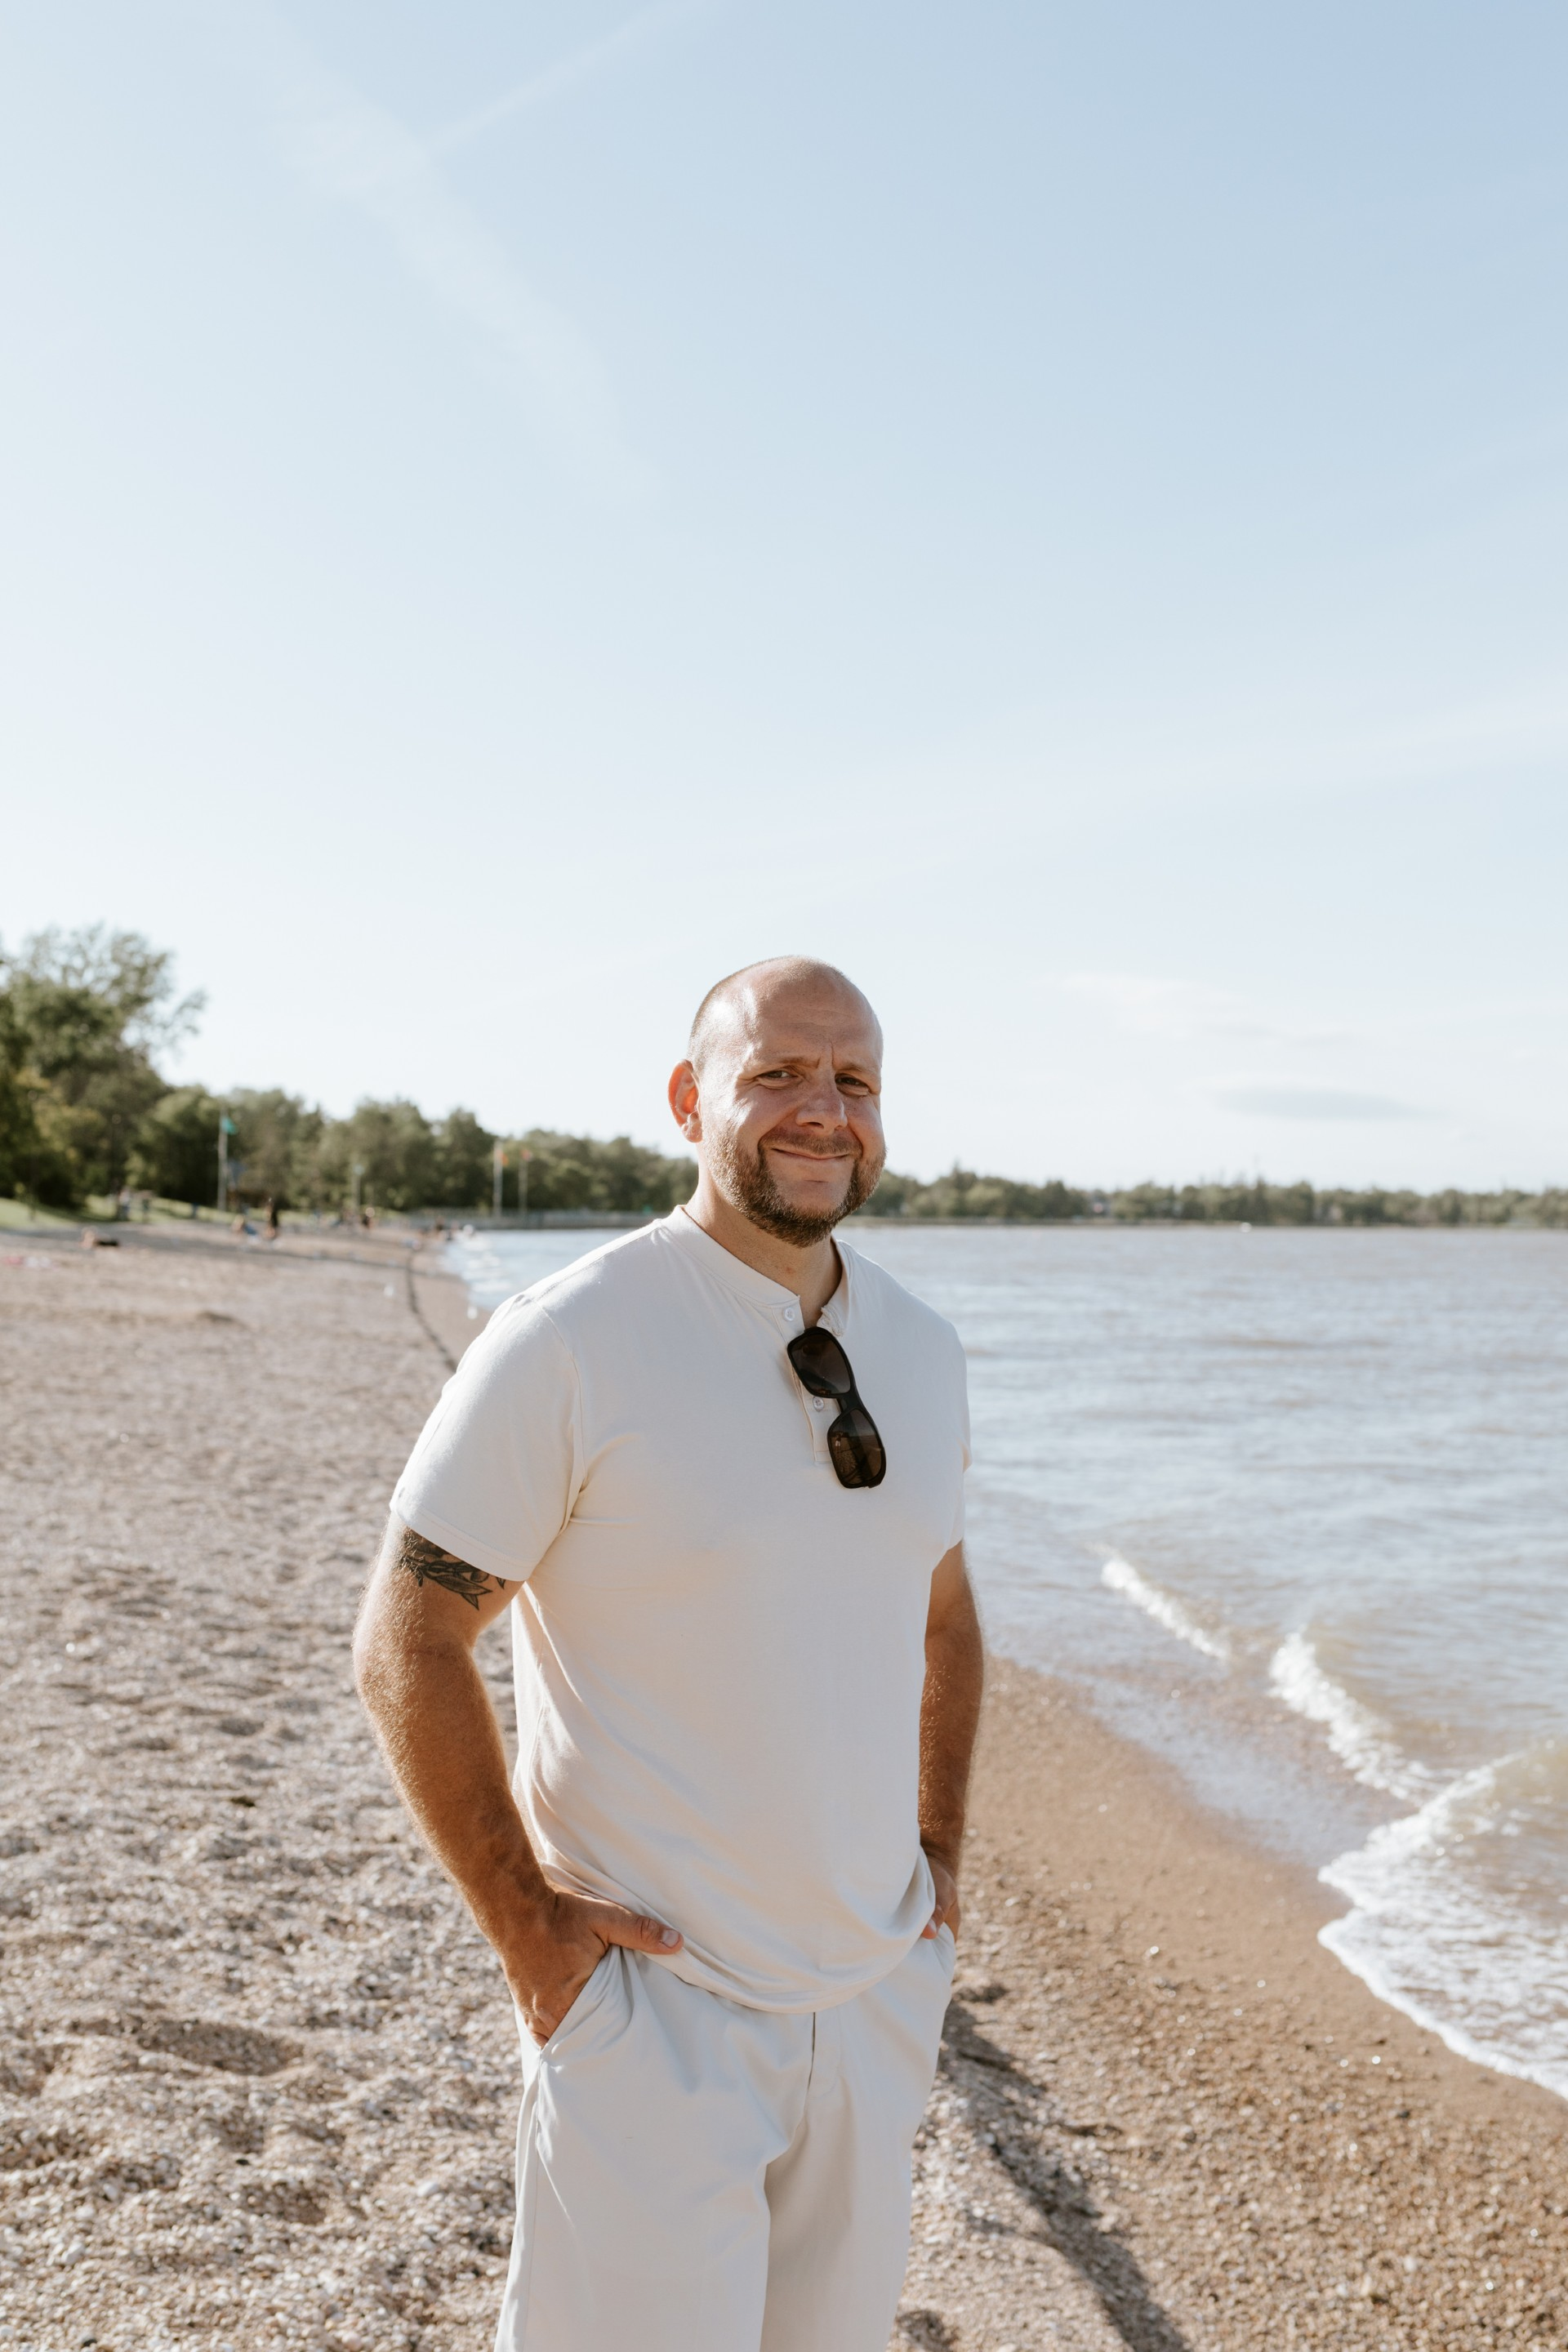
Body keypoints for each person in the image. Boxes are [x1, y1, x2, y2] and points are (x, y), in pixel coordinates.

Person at [354, 957, 983, 2352]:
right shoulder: (573, 1338)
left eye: (855, 1080)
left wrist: (939, 1855)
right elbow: (408, 1635)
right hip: (653, 2011)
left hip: (874, 1997)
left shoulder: (924, 1349)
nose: (824, 1109)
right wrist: (530, 1932)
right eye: (778, 1073)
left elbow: (941, 1613)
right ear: (691, 1101)